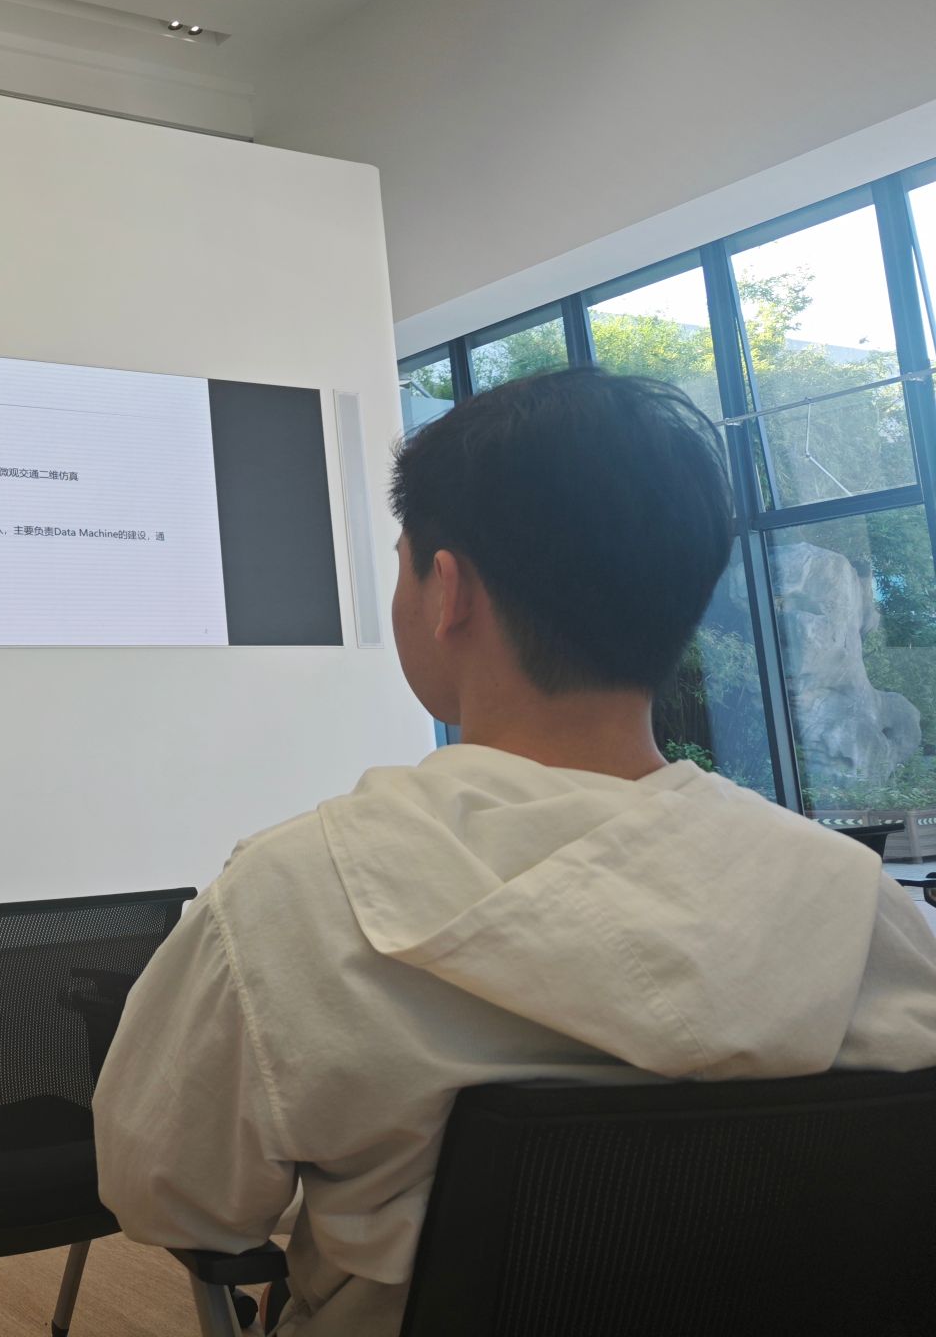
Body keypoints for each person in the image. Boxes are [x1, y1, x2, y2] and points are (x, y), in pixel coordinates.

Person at [93, 368, 936, 1333]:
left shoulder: (291, 903)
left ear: (447, 591)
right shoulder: (862, 910)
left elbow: (169, 1195)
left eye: (404, 564)